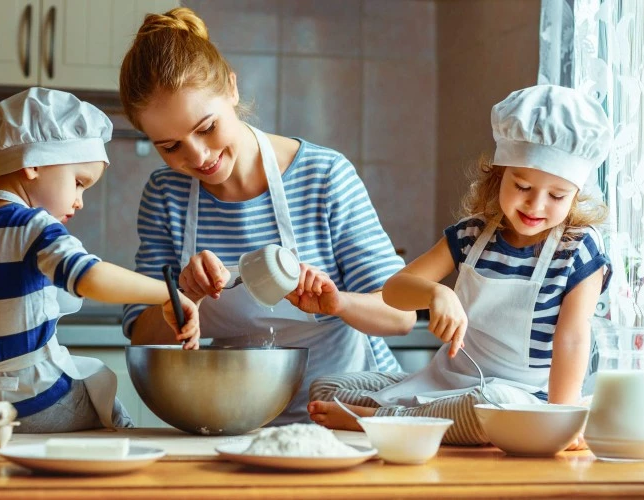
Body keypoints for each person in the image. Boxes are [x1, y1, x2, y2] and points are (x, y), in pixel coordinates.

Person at [117, 7, 418, 426]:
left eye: (206, 128)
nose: (198, 156)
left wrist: (337, 303)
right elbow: (140, 334)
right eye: (171, 147)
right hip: (231, 421)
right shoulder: (165, 195)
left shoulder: (324, 176)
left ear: (232, 89)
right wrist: (184, 296)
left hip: (346, 416)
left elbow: (402, 315)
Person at [307, 85, 611, 447]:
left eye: (557, 195)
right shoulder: (472, 235)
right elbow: (394, 290)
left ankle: (379, 421)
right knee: (329, 387)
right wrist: (435, 293)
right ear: (499, 175)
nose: (536, 204)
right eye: (523, 185)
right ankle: (405, 420)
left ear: (575, 195)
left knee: (491, 410)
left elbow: (573, 338)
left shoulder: (578, 249)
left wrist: (561, 421)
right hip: (449, 385)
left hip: (519, 399)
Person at [0, 87, 198, 433]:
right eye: (78, 182)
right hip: (41, 402)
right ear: (33, 163)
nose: (79, 201)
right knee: (112, 417)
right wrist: (167, 293)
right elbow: (89, 277)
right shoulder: (35, 227)